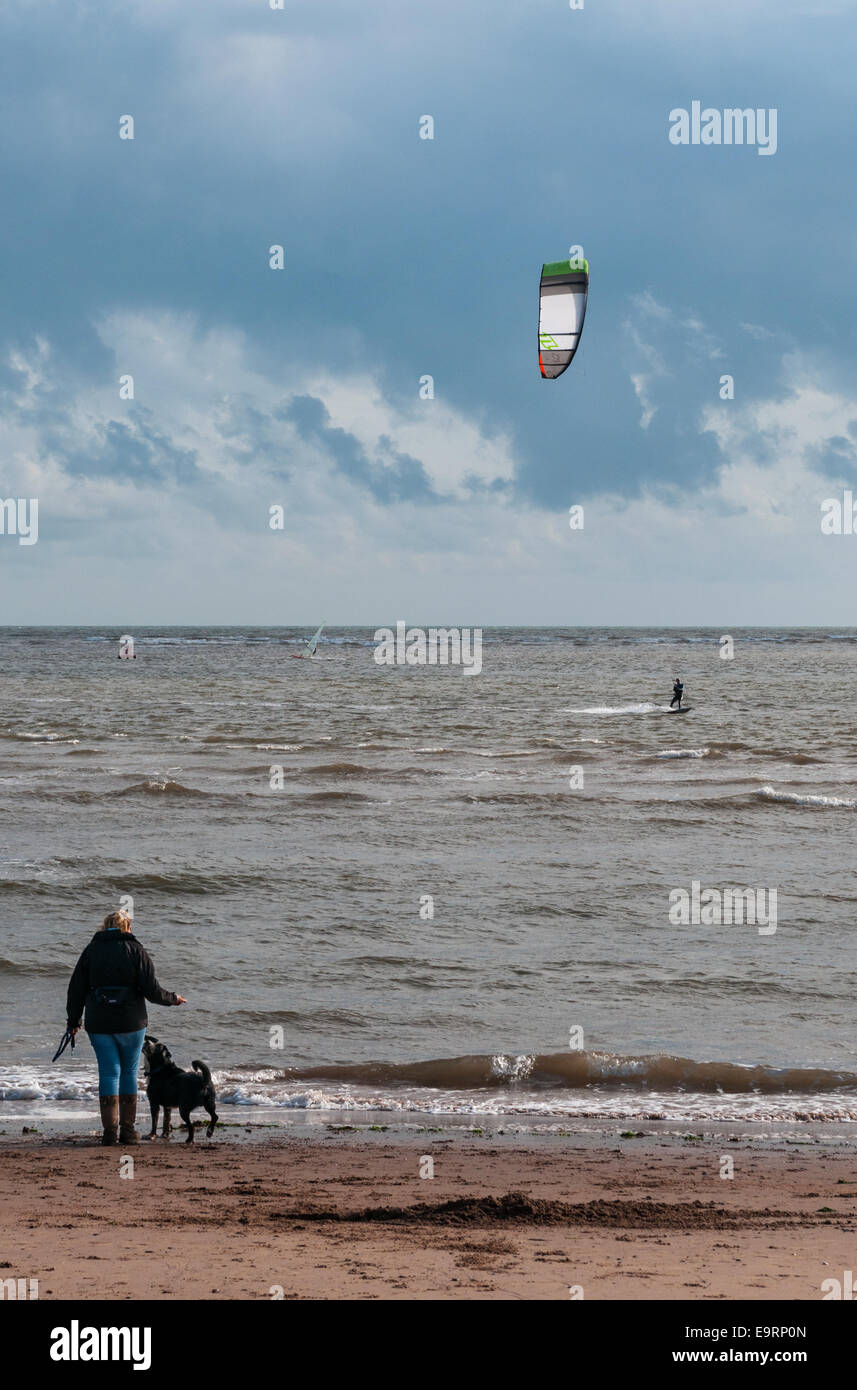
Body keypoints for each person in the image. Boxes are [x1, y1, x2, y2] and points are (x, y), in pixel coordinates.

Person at [66, 910, 186, 1145]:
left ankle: (110, 1133)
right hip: (131, 1021)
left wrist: (73, 1022)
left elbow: (76, 989)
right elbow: (152, 990)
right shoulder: (136, 950)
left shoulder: (91, 950)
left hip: (99, 1022)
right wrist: (173, 999)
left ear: (105, 926)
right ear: (127, 927)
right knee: (129, 1072)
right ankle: (128, 1131)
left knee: (109, 1072)